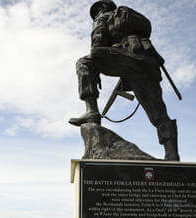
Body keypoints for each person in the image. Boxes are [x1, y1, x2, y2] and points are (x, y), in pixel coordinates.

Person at [68, 0, 179, 160]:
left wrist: (99, 67)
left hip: (125, 56)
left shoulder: (103, 17)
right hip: (147, 62)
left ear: (101, 8)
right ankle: (172, 153)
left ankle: (92, 113)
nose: (96, 15)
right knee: (158, 113)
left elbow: (97, 46)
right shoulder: (131, 23)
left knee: (84, 62)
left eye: (96, 11)